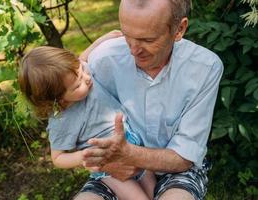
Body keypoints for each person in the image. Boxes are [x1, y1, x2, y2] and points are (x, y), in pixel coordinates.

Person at [75, 0, 224, 200]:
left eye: (147, 39)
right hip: (116, 169)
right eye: (127, 36)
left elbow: (185, 157)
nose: (133, 50)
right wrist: (108, 161)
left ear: (179, 29)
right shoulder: (103, 59)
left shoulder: (205, 67)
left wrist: (128, 154)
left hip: (178, 171)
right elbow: (67, 104)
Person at [18, 45, 157, 200]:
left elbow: (82, 58)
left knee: (153, 191)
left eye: (81, 71)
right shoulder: (62, 121)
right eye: (78, 84)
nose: (87, 77)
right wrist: (83, 156)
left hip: (133, 145)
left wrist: (106, 38)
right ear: (58, 99)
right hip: (108, 163)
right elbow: (57, 158)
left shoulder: (77, 73)